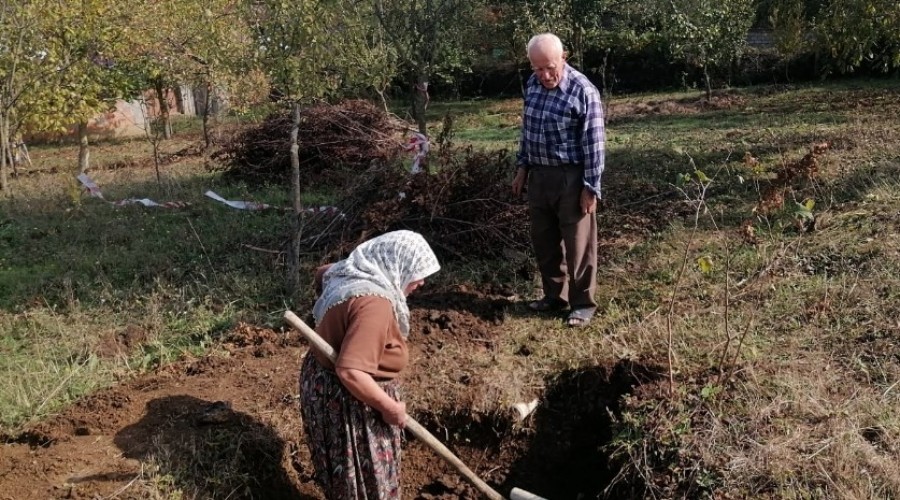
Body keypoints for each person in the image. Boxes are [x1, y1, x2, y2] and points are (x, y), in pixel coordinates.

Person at [299, 230, 441, 499]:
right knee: (368, 488)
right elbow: (350, 371)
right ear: (396, 264)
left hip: (322, 384)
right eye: (417, 271)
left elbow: (321, 273)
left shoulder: (351, 270)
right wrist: (389, 408)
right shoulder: (374, 305)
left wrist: (338, 324)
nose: (421, 281)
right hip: (351, 403)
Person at [511, 33, 605, 328]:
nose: (545, 75)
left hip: (571, 176)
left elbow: (595, 143)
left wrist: (591, 187)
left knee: (578, 244)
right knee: (545, 241)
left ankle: (582, 304)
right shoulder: (532, 86)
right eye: (537, 69)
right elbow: (528, 130)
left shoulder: (583, 91)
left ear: (563, 57)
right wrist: (523, 168)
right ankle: (554, 296)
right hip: (539, 174)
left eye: (550, 67)